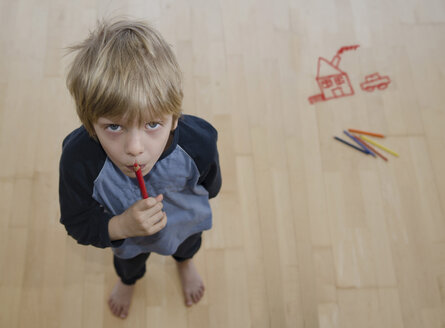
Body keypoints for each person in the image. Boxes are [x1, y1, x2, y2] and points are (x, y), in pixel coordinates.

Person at [59, 18, 221, 319]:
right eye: (114, 126)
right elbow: (76, 221)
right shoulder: (77, 160)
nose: (135, 148)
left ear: (174, 118)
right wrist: (122, 227)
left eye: (152, 124)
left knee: (187, 244)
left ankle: (184, 262)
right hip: (128, 241)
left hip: (184, 222)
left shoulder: (199, 141)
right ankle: (128, 280)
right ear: (90, 123)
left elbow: (211, 186)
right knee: (128, 262)